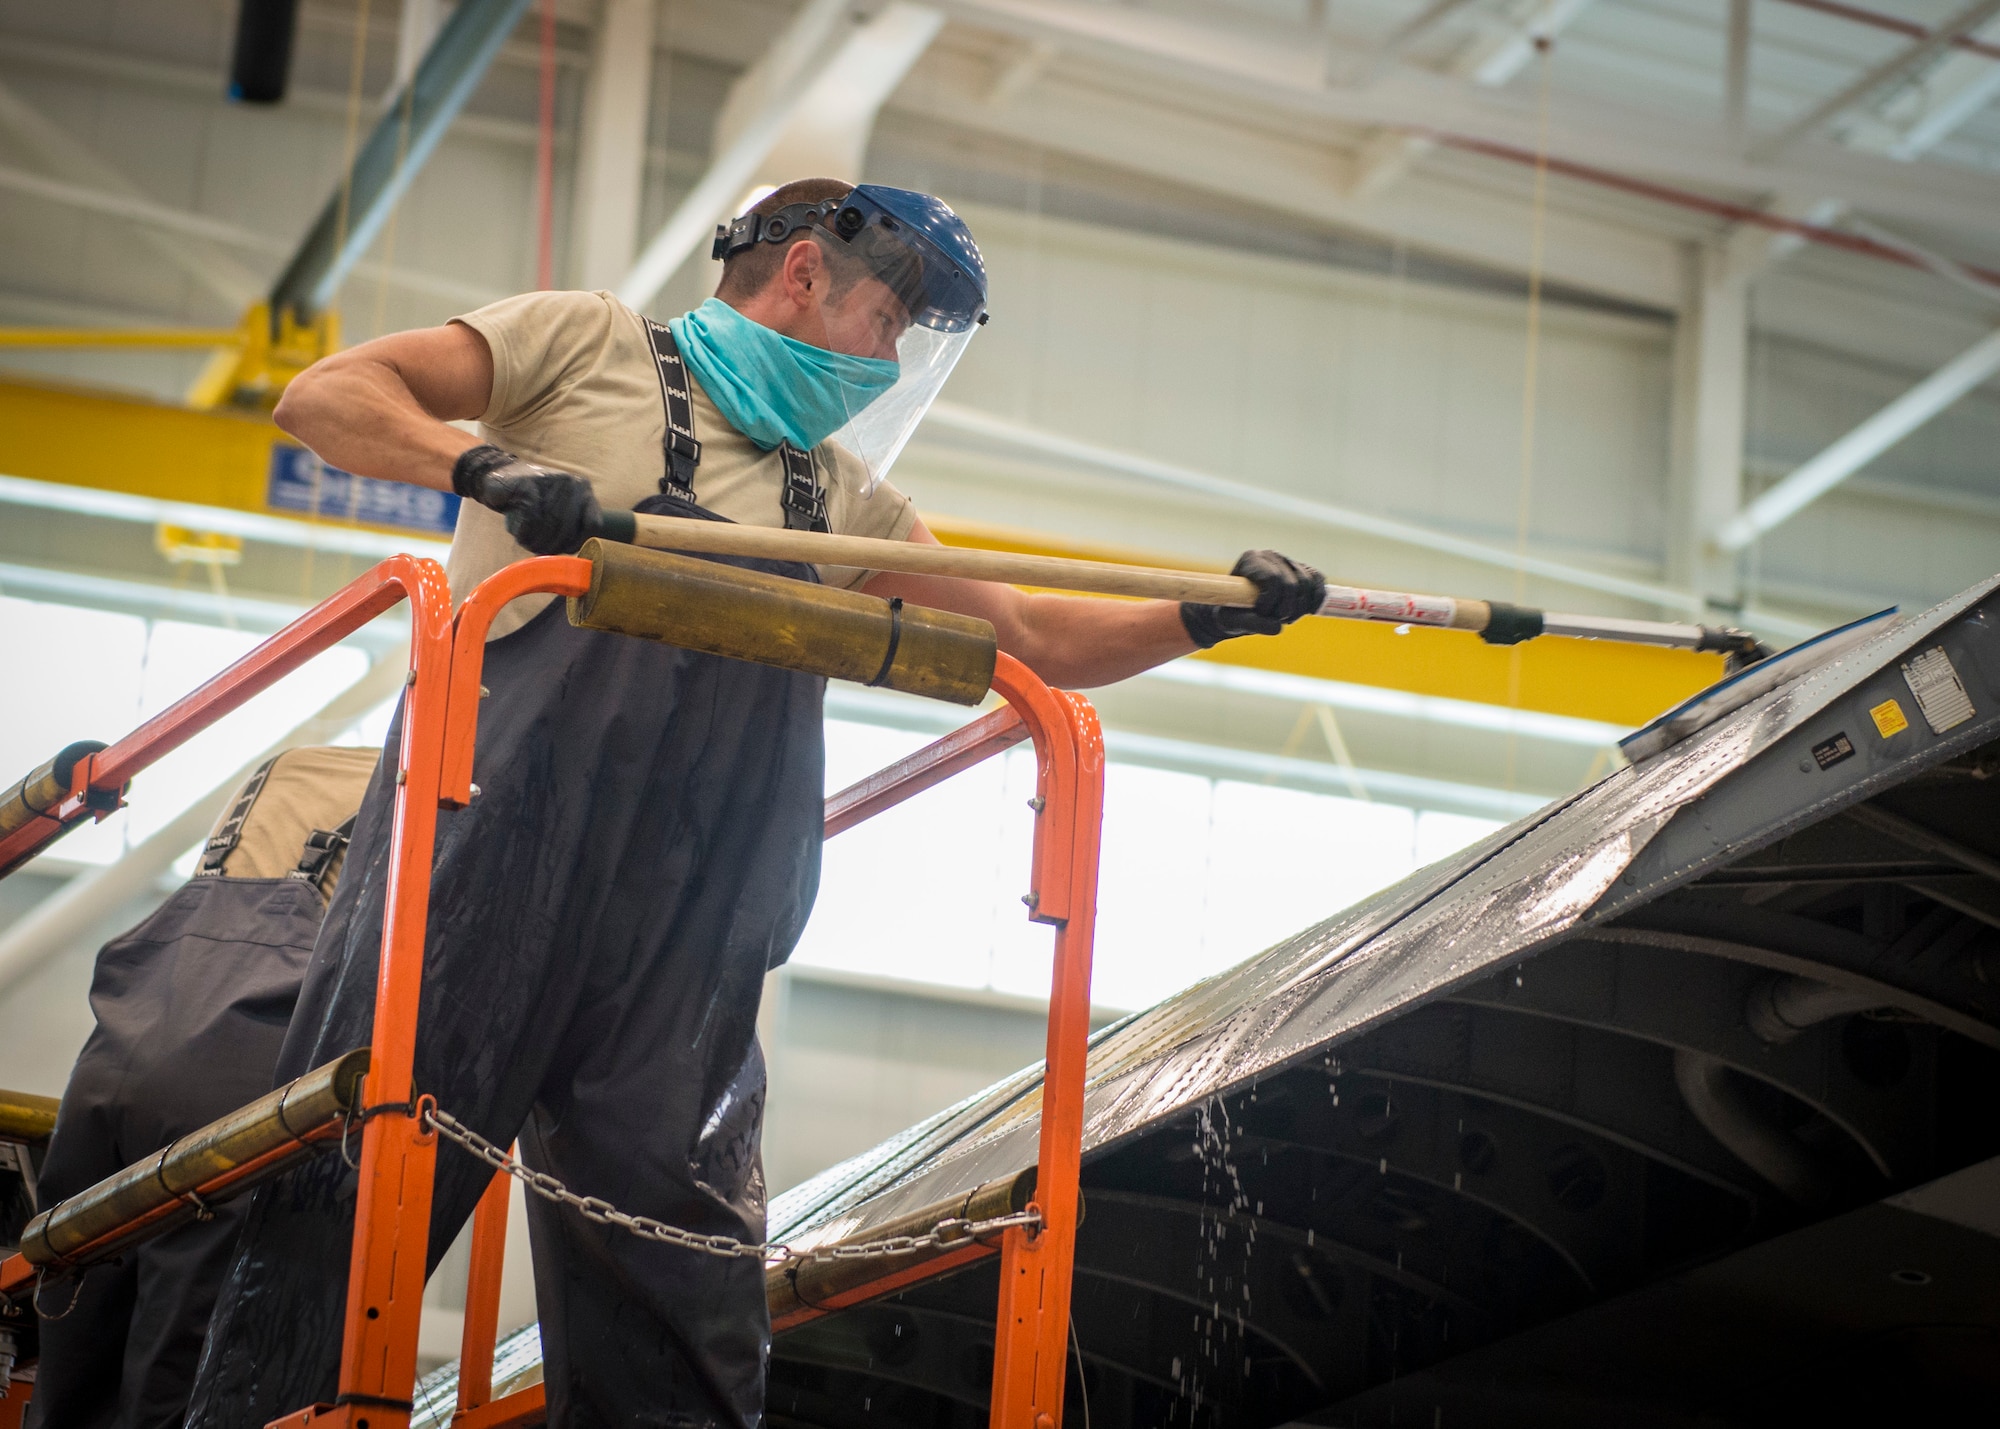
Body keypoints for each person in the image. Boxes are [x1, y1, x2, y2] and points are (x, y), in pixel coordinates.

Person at [187, 179, 1323, 1428]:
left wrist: (1206, 614)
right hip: (474, 879)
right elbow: (327, 396)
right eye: (886, 323)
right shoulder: (584, 343)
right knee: (343, 1215)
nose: (888, 365)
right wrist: (488, 466)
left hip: (684, 944)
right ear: (799, 272)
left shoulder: (841, 502)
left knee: (685, 1286)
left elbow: (1039, 635)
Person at [27, 746, 376, 1429]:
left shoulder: (284, 768)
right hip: (231, 1086)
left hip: (113, 1062)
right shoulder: (423, 779)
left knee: (71, 1354)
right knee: (177, 1384)